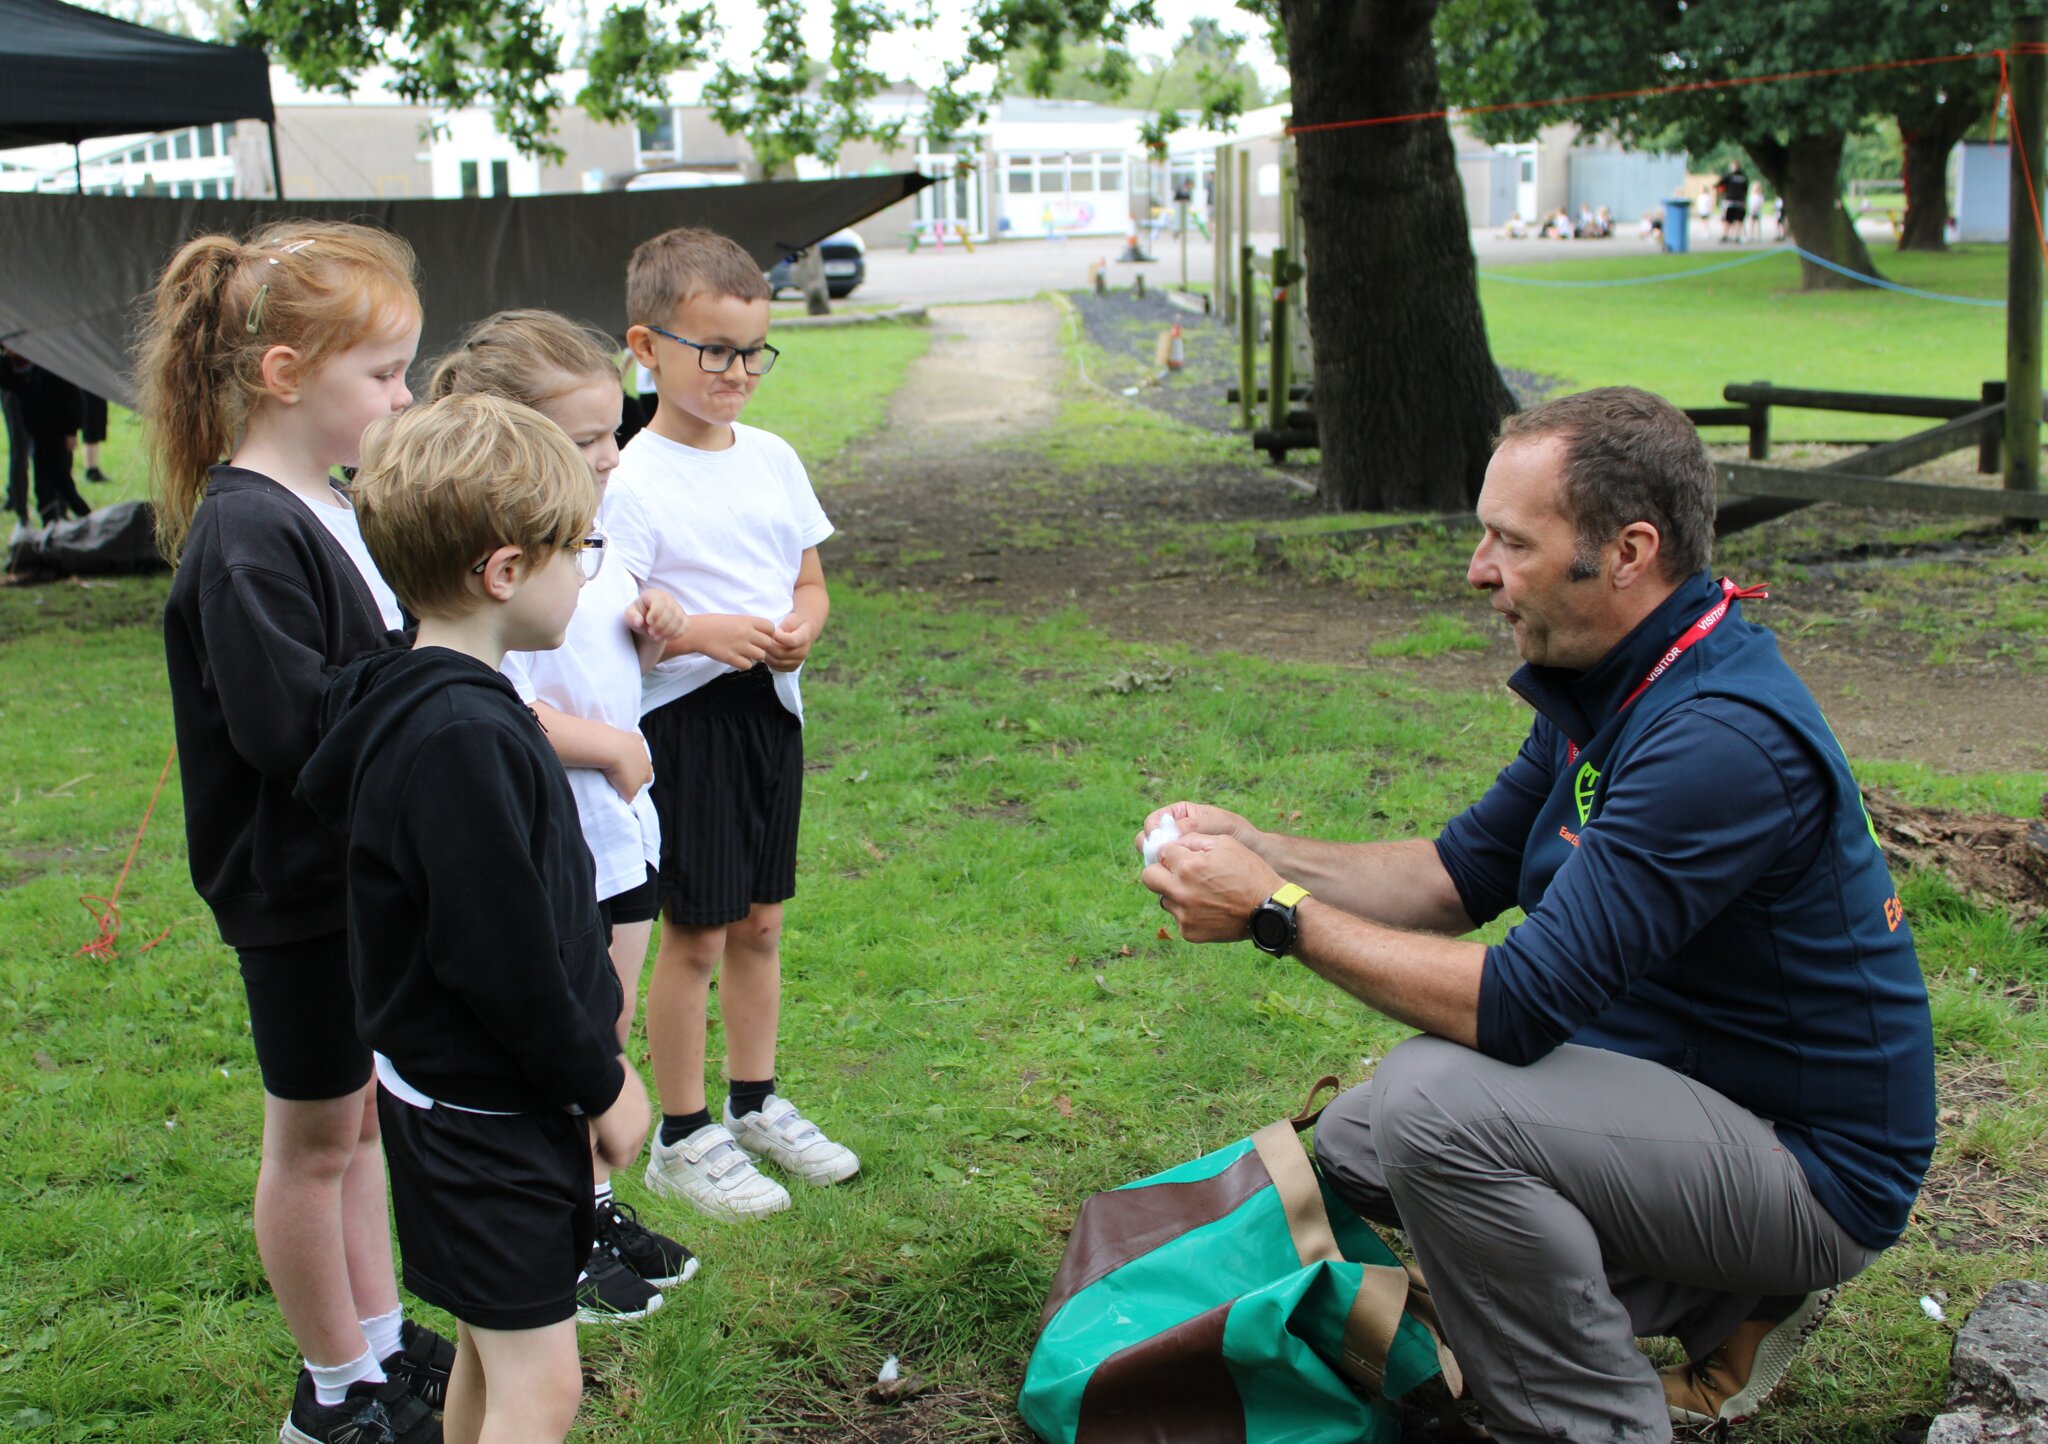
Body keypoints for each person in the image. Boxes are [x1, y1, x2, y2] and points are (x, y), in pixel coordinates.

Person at [1140, 386, 1935, 1444]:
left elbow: (1517, 1005)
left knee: (1431, 1107)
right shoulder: (1617, 679)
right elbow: (1450, 875)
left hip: (1812, 1169)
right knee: (1360, 1142)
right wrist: (1264, 851)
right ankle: (1715, 1300)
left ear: (1626, 551)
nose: (1477, 569)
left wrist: (1274, 912)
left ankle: (1583, 1421)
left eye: (1508, 541)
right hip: (1699, 1096)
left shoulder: (1714, 740)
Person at [140, 220, 451, 1444]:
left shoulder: (326, 503)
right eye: (382, 374)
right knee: (312, 1139)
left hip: (353, 884)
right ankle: (330, 1395)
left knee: (358, 1116)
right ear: (284, 378)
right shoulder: (245, 535)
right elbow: (292, 728)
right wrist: (433, 695)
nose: (405, 395)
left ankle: (375, 1345)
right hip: (296, 895)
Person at [297, 392, 653, 1444]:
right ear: (505, 572)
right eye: (574, 550)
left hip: (441, 1097)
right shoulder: (464, 738)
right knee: (543, 1389)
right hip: (493, 1113)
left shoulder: (411, 696)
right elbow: (501, 958)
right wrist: (602, 1082)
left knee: (493, 1353)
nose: (585, 573)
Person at [427, 310, 697, 1320]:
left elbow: (609, 655)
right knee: (574, 1038)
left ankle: (591, 1202)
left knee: (606, 1026)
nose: (611, 452)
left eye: (610, 428)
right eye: (584, 439)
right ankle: (559, 1226)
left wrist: (654, 626)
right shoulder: (499, 557)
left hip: (622, 833)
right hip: (563, 844)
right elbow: (492, 697)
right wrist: (610, 745)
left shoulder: (594, 534)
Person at [605, 225, 859, 1220]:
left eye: (754, 351)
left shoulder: (772, 458)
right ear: (646, 345)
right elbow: (606, 629)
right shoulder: (628, 480)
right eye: (714, 350)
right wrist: (699, 632)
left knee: (760, 924)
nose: (738, 372)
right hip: (683, 728)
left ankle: (753, 1103)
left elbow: (806, 578)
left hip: (767, 716)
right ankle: (681, 1131)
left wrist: (801, 630)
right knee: (697, 937)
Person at [0, 351, 92, 527]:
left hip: (58, 432)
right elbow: (7, 379)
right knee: (43, 486)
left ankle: (86, 519)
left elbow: (72, 398)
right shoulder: (22, 376)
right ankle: (50, 521)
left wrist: (71, 431)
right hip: (40, 434)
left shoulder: (52, 370)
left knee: (63, 482)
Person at [1716, 163, 1750, 241]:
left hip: (1729, 200)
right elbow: (1745, 189)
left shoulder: (1728, 176)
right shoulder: (1743, 177)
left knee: (1727, 219)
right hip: (1740, 201)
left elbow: (1720, 184)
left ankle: (1725, 235)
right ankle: (1736, 236)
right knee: (1738, 219)